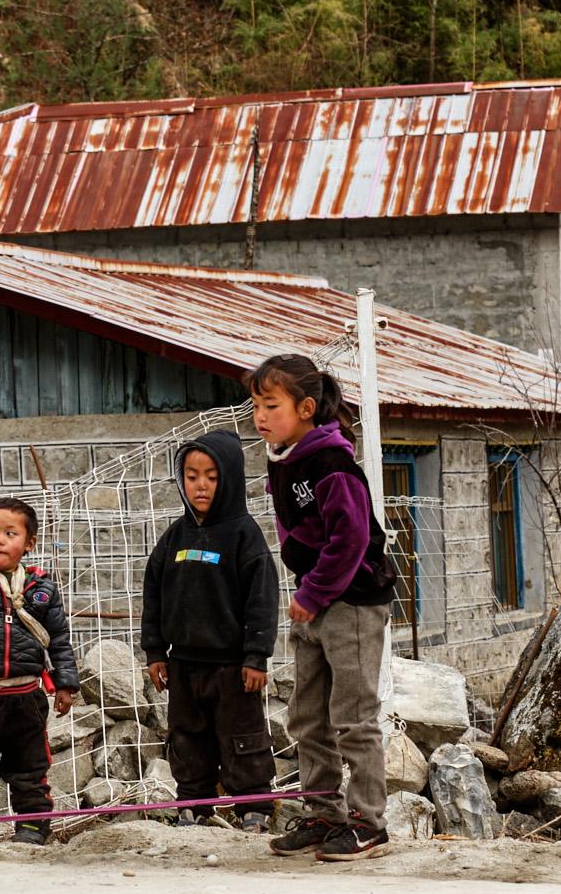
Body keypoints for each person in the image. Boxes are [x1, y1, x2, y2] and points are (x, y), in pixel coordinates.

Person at [250, 354, 398, 863]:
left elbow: (351, 539)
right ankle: (322, 813)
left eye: (272, 405)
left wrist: (311, 595)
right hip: (312, 602)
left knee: (353, 717)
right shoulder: (286, 460)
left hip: (351, 602)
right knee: (307, 714)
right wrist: (307, 595)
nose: (260, 416)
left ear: (307, 407)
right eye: (256, 405)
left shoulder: (332, 465)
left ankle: (367, 822)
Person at [140, 430, 279, 833]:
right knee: (187, 738)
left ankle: (254, 806)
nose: (200, 486)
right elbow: (153, 594)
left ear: (230, 480)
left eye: (212, 477)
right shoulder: (175, 537)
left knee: (243, 737)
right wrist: (154, 652)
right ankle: (194, 804)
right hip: (183, 664)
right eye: (191, 475)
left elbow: (261, 599)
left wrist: (256, 656)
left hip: (233, 667)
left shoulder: (243, 535)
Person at [0, 498, 78, 845]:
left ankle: (32, 825)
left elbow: (58, 639)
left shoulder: (41, 588)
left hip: (25, 697)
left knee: (29, 767)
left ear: (29, 543)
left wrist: (65, 684)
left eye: (10, 533)